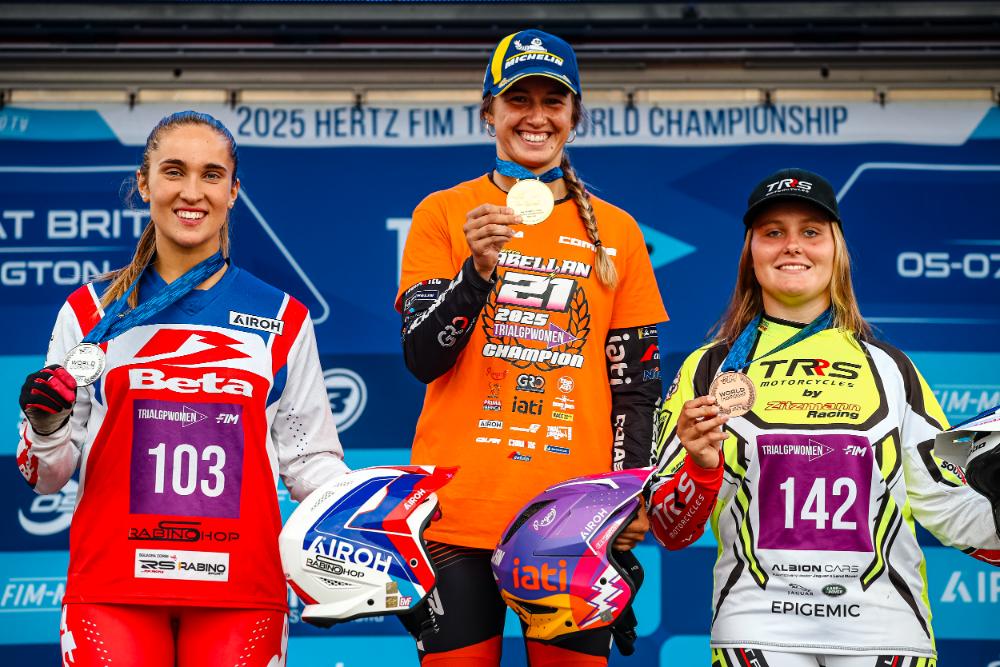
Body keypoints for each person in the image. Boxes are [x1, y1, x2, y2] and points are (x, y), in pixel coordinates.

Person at [16, 111, 348, 667]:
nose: (192, 192)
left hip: (242, 593)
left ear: (233, 191)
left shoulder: (284, 318)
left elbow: (309, 461)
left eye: (211, 175)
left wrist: (369, 513)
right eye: (174, 171)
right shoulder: (89, 311)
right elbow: (46, 476)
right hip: (113, 589)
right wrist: (46, 426)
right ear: (144, 183)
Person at [647, 167, 1000, 667]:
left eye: (811, 231)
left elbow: (948, 505)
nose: (792, 246)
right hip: (759, 627)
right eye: (773, 232)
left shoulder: (892, 368)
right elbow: (671, 529)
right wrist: (701, 469)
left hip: (884, 630)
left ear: (837, 250)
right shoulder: (709, 369)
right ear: (751, 252)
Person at [395, 29, 668, 667]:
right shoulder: (445, 213)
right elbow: (422, 357)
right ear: (488, 111)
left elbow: (635, 388)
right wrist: (476, 274)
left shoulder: (618, 231)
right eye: (518, 99)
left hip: (575, 519)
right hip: (455, 514)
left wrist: (628, 501)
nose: (536, 116)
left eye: (553, 101)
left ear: (575, 114)